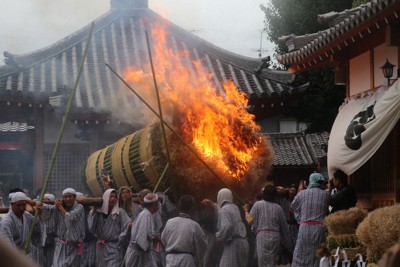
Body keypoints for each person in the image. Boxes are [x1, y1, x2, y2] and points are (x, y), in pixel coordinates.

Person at [291, 172, 331, 267]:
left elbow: (293, 206)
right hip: (320, 229)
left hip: (304, 228)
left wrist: (299, 217)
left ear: (310, 181)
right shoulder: (326, 195)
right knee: (318, 254)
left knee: (301, 253)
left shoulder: (302, 194)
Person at [39, 188, 86, 267]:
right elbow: (48, 209)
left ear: (74, 197)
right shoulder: (57, 208)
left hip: (74, 247)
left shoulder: (79, 207)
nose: (67, 199)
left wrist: (60, 207)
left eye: (70, 196)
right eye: (65, 197)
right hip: (61, 245)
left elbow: (71, 218)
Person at [248, 185, 294, 267]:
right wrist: (288, 244)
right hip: (275, 238)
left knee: (262, 263)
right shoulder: (278, 208)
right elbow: (284, 228)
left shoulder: (257, 205)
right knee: (272, 262)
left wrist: (245, 211)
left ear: (264, 194)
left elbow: (249, 220)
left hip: (261, 236)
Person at [88, 188, 130, 267]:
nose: (113, 199)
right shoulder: (97, 212)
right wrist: (94, 210)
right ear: (106, 198)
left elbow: (126, 226)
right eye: (110, 197)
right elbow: (91, 228)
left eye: (115, 197)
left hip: (114, 247)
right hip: (101, 248)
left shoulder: (120, 212)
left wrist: (120, 239)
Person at [161, 195, 206, 267]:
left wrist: (172, 247)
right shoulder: (194, 225)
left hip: (171, 258)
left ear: (179, 207)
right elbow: (202, 245)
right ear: (192, 208)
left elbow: (163, 239)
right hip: (187, 260)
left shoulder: (170, 222)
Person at [0, 192, 43, 256]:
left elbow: (37, 228)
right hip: (14, 258)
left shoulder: (27, 216)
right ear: (12, 205)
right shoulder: (7, 221)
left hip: (27, 256)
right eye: (18, 205)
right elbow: (7, 244)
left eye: (23, 205)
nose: (21, 208)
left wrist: (40, 213)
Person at [124, 192, 160, 266]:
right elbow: (145, 235)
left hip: (141, 253)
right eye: (158, 203)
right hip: (137, 255)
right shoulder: (146, 215)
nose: (159, 205)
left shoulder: (147, 214)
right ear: (154, 205)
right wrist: (160, 241)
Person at [216, 188, 249, 267]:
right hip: (243, 242)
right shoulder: (235, 208)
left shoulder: (223, 210)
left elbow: (226, 226)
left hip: (233, 243)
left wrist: (219, 237)